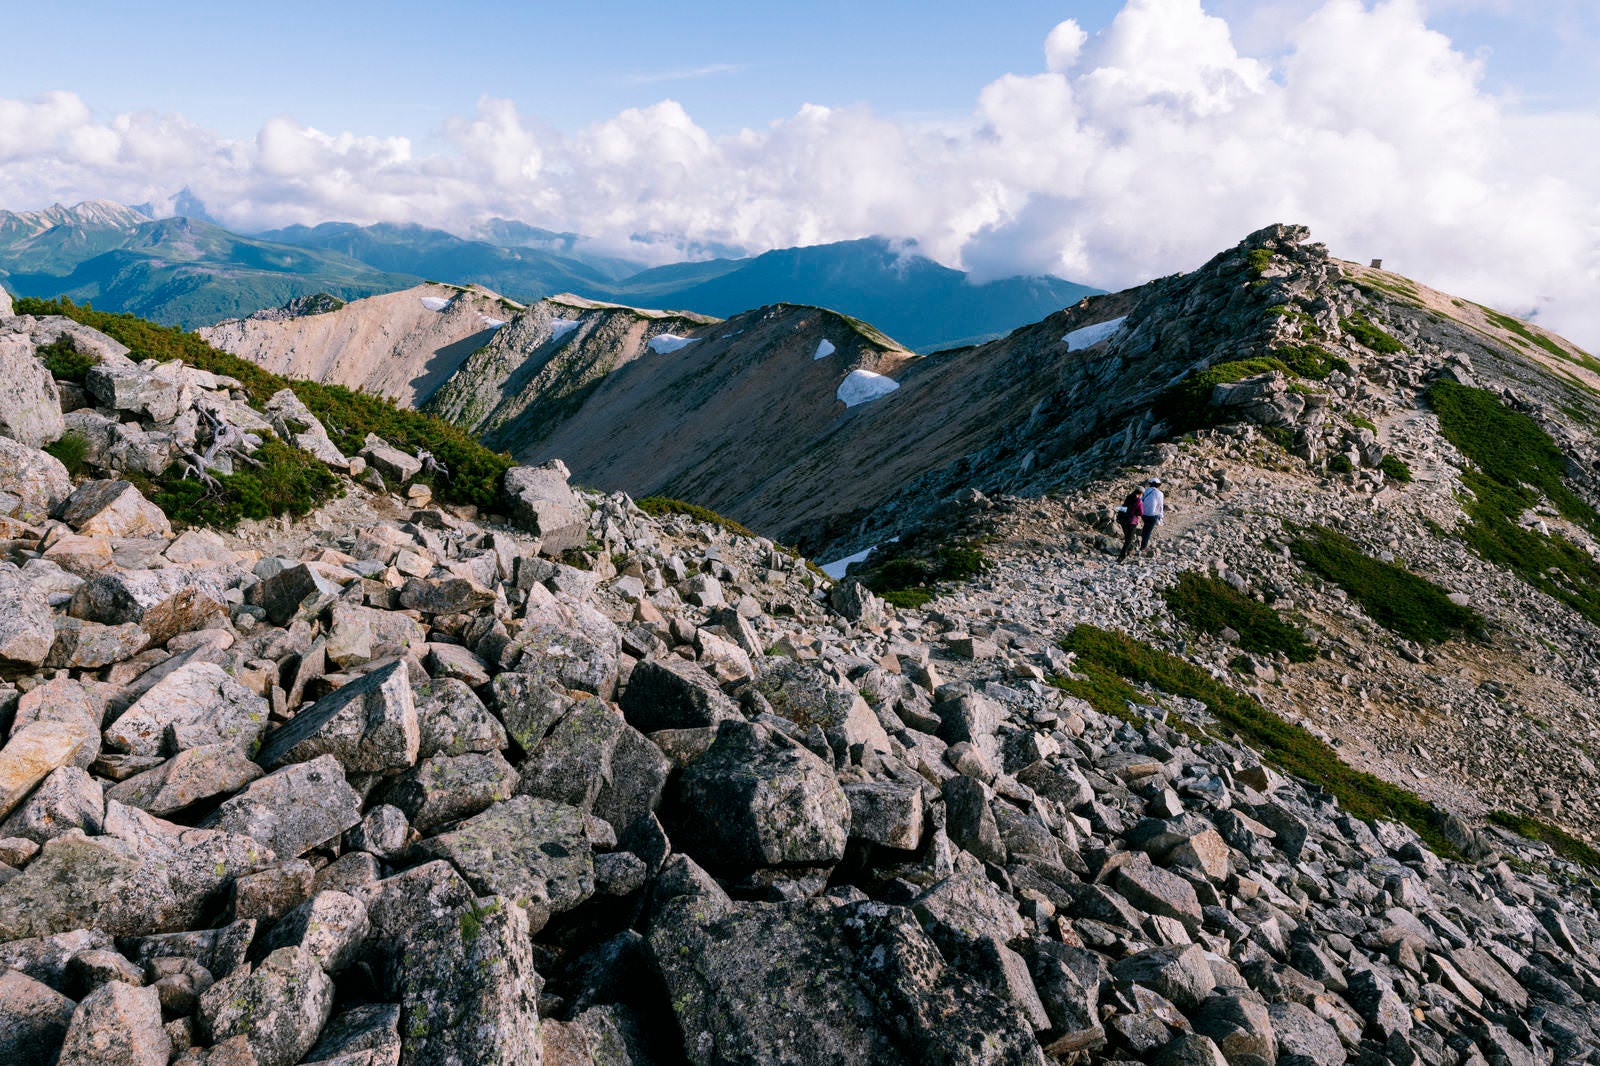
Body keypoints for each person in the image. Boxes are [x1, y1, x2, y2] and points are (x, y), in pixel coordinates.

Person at [1116, 485, 1143, 561]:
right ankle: (1122, 556)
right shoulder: (1139, 501)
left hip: (1123, 520)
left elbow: (1123, 508)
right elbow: (1141, 513)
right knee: (1129, 539)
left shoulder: (1128, 497)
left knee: (1127, 537)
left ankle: (1130, 550)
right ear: (1141, 493)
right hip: (1132, 521)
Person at [1140, 476, 1165, 553]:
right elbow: (1160, 506)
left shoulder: (1145, 491)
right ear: (1158, 485)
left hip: (1144, 514)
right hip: (1153, 515)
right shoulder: (1160, 494)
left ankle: (1140, 542)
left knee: (1145, 528)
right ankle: (1143, 547)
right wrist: (1161, 516)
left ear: (1150, 484)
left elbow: (1141, 501)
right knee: (1148, 531)